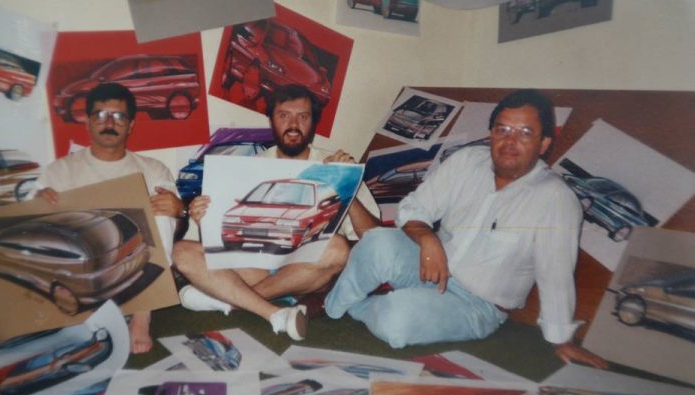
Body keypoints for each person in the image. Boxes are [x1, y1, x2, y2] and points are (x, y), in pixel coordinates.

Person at [324, 89, 608, 368]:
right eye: (502, 130)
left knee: (397, 320)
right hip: (431, 267)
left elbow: (555, 274)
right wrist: (426, 238)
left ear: (544, 143)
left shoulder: (556, 199)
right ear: (491, 134)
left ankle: (363, 307)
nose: (510, 141)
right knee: (377, 241)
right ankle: (332, 308)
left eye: (524, 133)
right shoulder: (467, 161)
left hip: (477, 306)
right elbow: (413, 208)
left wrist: (561, 340)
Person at [173, 84, 380, 340]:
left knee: (337, 248)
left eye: (303, 117)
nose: (293, 125)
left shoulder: (335, 164)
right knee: (181, 251)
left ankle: (232, 300)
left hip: (306, 271)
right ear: (271, 120)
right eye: (284, 115)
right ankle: (273, 312)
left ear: (313, 123)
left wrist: (345, 183)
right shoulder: (246, 168)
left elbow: (374, 237)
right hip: (253, 264)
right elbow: (217, 242)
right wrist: (203, 217)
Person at [34, 83, 184, 354]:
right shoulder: (59, 171)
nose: (109, 123)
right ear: (88, 122)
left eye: (119, 116)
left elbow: (175, 221)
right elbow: (28, 224)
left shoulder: (153, 168)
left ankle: (142, 313)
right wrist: (37, 202)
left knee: (161, 211)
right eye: (101, 115)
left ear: (131, 125)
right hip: (82, 258)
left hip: (132, 255)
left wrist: (178, 208)